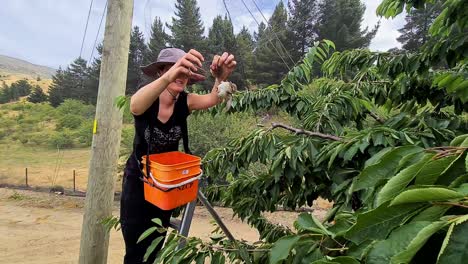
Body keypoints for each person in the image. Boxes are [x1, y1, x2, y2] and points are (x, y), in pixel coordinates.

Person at [120, 47, 237, 263]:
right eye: (177, 70)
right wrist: (171, 74)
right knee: (135, 249)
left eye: (185, 73)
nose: (181, 77)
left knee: (156, 244)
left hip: (165, 186)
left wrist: (221, 78)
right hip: (139, 184)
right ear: (162, 71)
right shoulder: (148, 98)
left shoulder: (185, 101)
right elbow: (135, 106)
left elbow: (213, 98)